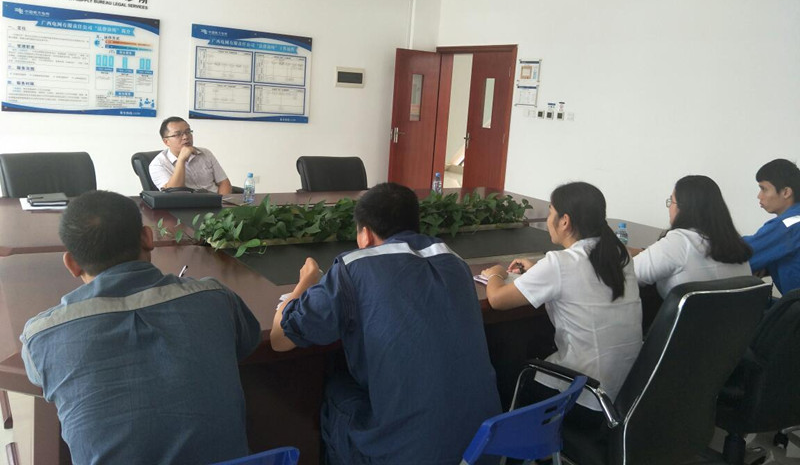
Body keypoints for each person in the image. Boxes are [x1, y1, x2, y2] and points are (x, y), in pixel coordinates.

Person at [20, 191, 261, 464]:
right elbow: (246, 343)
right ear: (148, 237)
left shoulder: (42, 337)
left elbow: (39, 375)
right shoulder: (216, 299)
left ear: (72, 264)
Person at [270, 183, 501, 465]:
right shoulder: (455, 261)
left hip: (411, 455)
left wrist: (306, 281)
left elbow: (280, 338)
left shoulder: (354, 267)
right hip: (484, 447)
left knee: (336, 390)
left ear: (365, 234)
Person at [480, 181, 642, 427]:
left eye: (550, 213)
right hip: (625, 394)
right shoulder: (619, 255)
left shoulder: (560, 263)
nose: (548, 220)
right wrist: (538, 270)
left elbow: (497, 300)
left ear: (565, 221)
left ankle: (509, 438)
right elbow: (580, 278)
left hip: (584, 397)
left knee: (506, 362)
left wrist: (495, 274)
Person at [633, 175, 752, 298]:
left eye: (671, 201)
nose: (669, 207)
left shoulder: (680, 242)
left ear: (683, 208)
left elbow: (628, 276)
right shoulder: (736, 245)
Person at [743, 158, 800, 294]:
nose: (759, 196)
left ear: (786, 192)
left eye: (764, 189)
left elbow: (741, 254)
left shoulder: (788, 226)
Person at [149, 116, 233, 194]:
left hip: (216, 201)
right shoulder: (157, 165)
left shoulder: (205, 153)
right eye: (178, 134)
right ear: (166, 141)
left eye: (188, 132)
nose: (185, 137)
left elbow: (224, 183)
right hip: (187, 204)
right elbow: (173, 193)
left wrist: (222, 202)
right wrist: (181, 160)